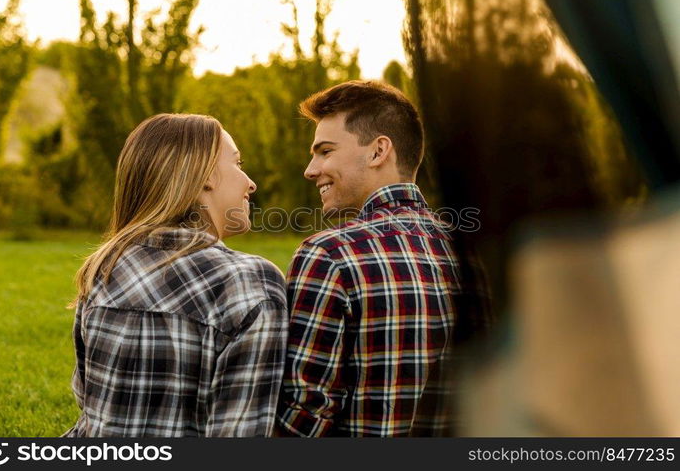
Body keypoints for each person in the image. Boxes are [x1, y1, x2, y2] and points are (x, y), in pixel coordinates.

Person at [276, 80, 490, 437]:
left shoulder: (330, 255)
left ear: (378, 152)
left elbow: (302, 420)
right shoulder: (476, 258)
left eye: (324, 151)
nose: (310, 170)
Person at [64, 113, 287, 437]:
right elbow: (241, 431)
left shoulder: (104, 268)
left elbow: (89, 406)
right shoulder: (251, 281)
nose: (249, 182)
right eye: (237, 164)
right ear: (206, 174)